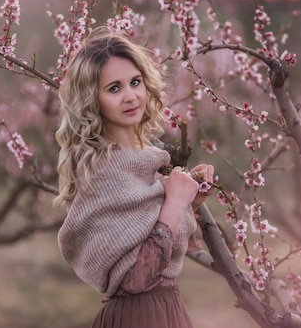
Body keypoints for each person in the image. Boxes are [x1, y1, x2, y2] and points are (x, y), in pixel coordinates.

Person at [55, 27, 214, 328]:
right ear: (93, 99)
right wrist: (175, 202)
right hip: (137, 317)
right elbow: (135, 278)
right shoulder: (104, 170)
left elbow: (159, 242)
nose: (130, 96)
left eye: (135, 82)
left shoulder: (147, 163)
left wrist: (190, 201)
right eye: (114, 88)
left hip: (167, 311)